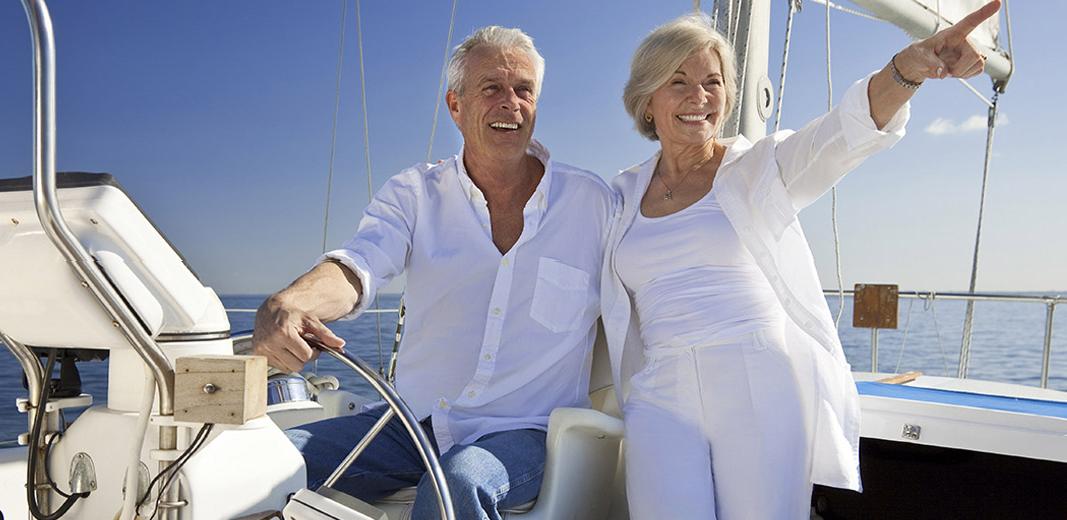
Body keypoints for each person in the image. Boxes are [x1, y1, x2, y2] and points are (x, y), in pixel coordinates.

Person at [601, 3, 1001, 518]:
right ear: (646, 101)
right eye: (679, 82)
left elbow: (839, 136)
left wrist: (908, 69)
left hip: (756, 382)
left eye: (712, 82)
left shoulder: (757, 167)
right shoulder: (619, 195)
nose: (699, 96)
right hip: (659, 391)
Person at [251, 26, 614, 520]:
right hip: (413, 425)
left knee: (456, 484)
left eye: (524, 90)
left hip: (528, 432)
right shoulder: (415, 194)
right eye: (491, 88)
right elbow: (359, 265)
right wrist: (292, 304)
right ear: (455, 106)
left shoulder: (594, 204)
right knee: (260, 462)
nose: (510, 103)